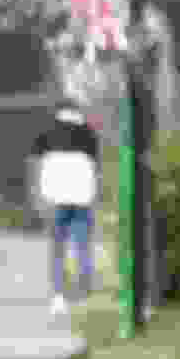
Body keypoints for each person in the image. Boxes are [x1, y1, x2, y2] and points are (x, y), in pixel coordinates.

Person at [33, 107, 102, 320]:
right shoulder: (89, 134)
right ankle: (83, 293)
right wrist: (95, 198)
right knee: (82, 247)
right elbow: (95, 168)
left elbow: (35, 165)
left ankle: (59, 296)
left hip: (55, 198)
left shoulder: (46, 131)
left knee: (57, 250)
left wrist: (37, 198)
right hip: (82, 198)